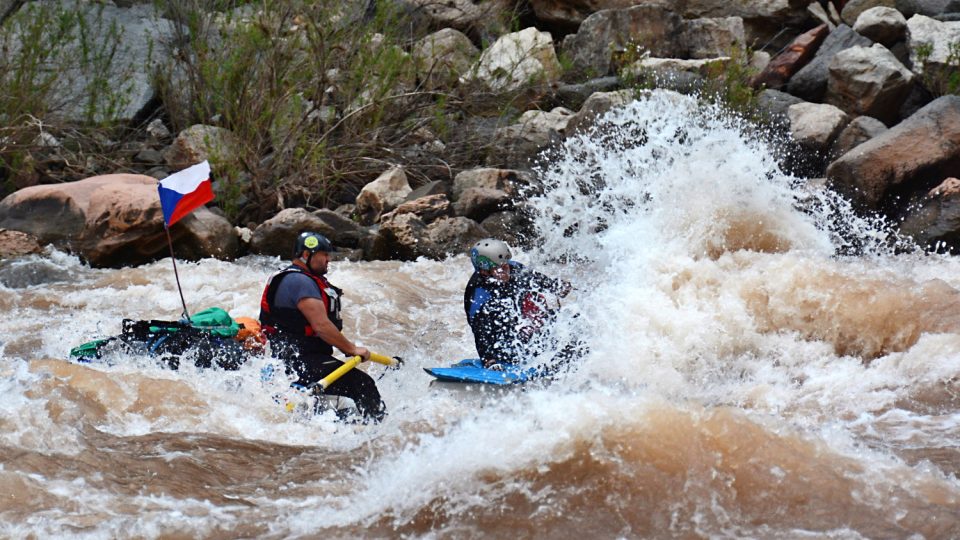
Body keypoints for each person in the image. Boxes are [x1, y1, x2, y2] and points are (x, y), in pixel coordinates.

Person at [259, 231, 385, 422]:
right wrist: (351, 349)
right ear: (306, 255)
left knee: (339, 399)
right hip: (300, 360)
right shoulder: (298, 281)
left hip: (297, 359)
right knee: (362, 383)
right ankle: (378, 429)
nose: (328, 260)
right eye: (324, 255)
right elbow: (321, 326)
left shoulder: (304, 280)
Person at [464, 238, 573, 369]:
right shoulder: (478, 295)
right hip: (503, 343)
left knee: (565, 318)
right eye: (500, 268)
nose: (506, 271)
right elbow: (480, 332)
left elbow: (537, 280)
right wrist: (489, 360)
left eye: (506, 265)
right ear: (484, 271)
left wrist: (557, 287)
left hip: (522, 325)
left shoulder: (514, 268)